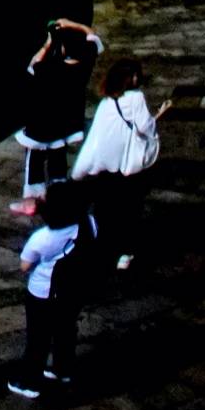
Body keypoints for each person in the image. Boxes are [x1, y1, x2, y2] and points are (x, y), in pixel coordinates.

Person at [5, 175, 104, 397]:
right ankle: (63, 369)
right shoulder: (89, 222)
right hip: (74, 287)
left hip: (43, 292)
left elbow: (24, 265)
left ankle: (29, 382)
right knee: (66, 328)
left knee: (38, 338)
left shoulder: (42, 238)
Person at [72, 48, 166, 269]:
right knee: (129, 210)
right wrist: (159, 116)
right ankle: (124, 254)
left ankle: (104, 249)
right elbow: (144, 126)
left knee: (106, 209)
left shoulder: (106, 104)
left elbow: (96, 137)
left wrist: (80, 170)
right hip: (127, 168)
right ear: (131, 78)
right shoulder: (136, 98)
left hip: (104, 167)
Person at [18, 13, 101, 188]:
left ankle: (33, 198)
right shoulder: (85, 65)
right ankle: (59, 193)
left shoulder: (49, 68)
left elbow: (33, 64)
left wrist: (48, 44)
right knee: (58, 159)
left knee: (35, 161)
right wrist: (72, 24)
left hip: (42, 126)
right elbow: (93, 37)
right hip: (65, 123)